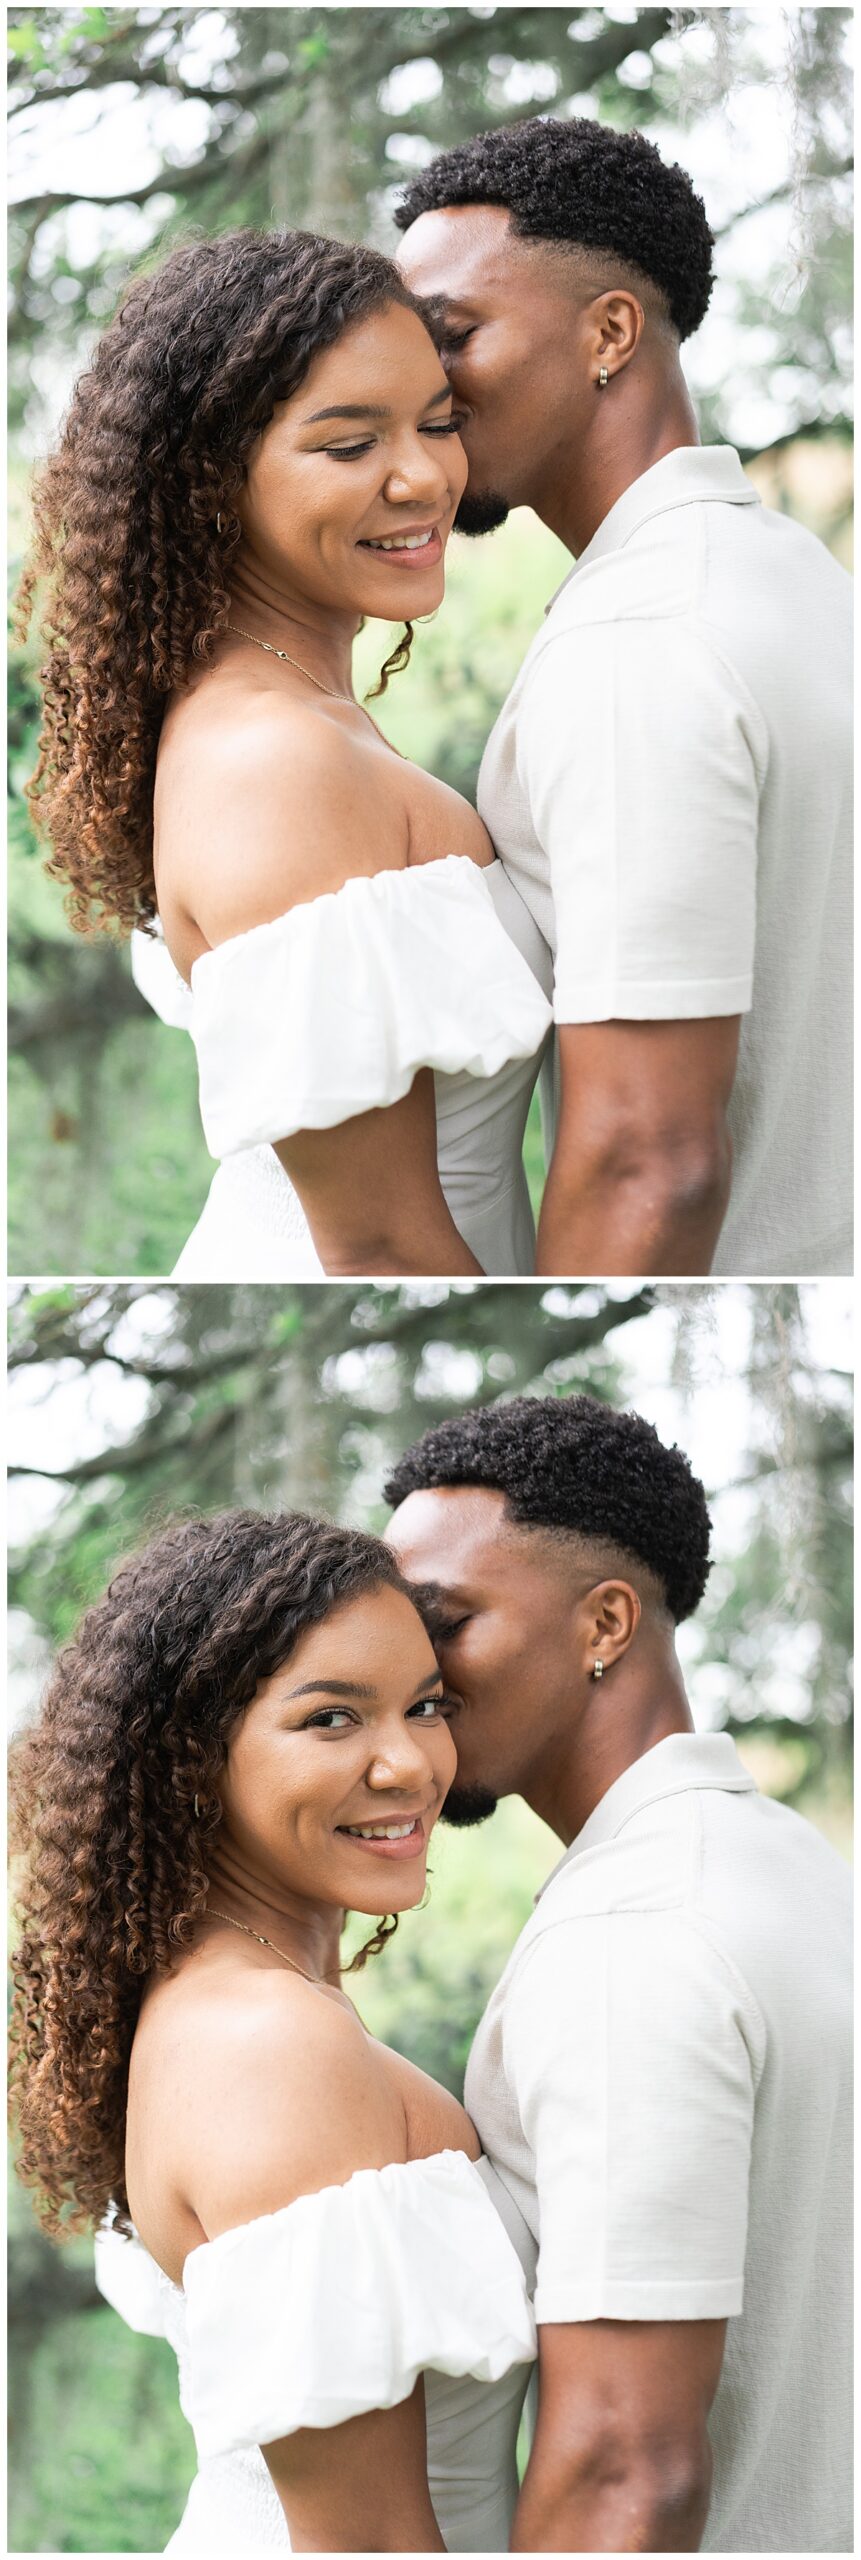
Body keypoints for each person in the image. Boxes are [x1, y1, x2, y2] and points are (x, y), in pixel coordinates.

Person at [18, 228, 551, 1283]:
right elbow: (380, 1244)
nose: (424, 477)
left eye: (438, 424)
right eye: (350, 446)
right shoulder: (277, 764)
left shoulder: (289, 710)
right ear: (210, 480)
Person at [9, 1510, 537, 2554]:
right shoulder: (267, 2046)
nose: (410, 1764)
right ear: (188, 1757)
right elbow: (368, 2541)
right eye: (332, 1719)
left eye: (424, 1705)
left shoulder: (236, 2000)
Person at [386, 1393, 852, 2554]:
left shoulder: (634, 1936)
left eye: (443, 1621)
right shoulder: (793, 1861)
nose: (412, 1670)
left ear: (604, 1624)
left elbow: (623, 2473)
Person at [395, 117, 853, 1279]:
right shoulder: (795, 573)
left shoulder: (638, 644)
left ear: (609, 331)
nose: (418, 386)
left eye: (453, 336)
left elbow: (650, 1160)